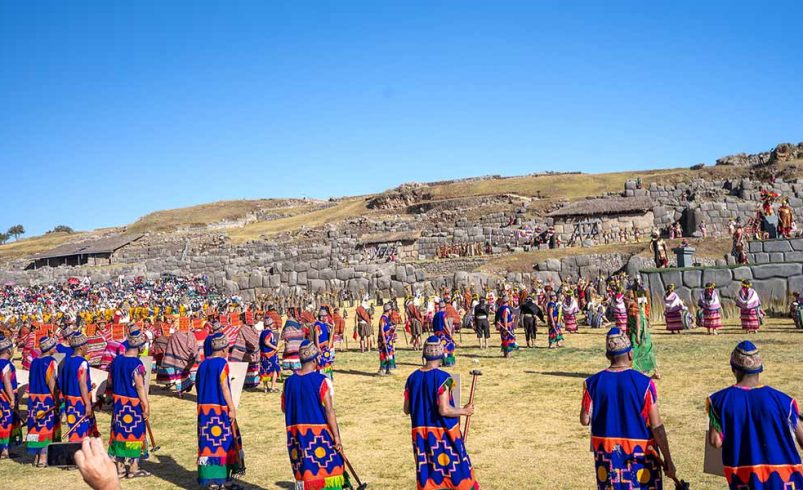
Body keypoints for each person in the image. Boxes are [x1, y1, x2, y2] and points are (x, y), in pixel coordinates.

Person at [580, 328, 676, 489]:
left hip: (608, 456)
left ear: (608, 356)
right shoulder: (645, 383)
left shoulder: (592, 383)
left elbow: (584, 420)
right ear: (631, 354)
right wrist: (668, 460)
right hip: (640, 456)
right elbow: (656, 426)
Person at [707, 341, 803, 489]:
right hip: (785, 480)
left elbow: (715, 442)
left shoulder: (719, 401)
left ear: (733, 369)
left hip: (745, 480)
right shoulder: (783, 401)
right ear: (760, 369)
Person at [403, 336, 479, 490]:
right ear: (441, 354)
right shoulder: (446, 378)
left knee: (429, 475)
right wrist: (464, 411)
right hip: (443, 435)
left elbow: (406, 409)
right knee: (458, 473)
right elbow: (444, 409)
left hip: (421, 435)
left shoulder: (411, 378)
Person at [282, 340, 350, 489]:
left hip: (297, 437)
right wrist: (337, 437)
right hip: (319, 435)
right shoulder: (321, 381)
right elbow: (329, 410)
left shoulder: (288, 383)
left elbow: (284, 408)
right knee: (331, 468)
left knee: (306, 472)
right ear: (315, 359)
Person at [196, 332, 244, 489]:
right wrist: (231, 408)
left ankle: (212, 482)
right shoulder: (222, 364)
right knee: (224, 443)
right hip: (220, 410)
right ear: (223, 349)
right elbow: (225, 388)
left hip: (204, 411)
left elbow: (198, 386)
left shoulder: (202, 365)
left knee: (209, 444)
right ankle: (223, 481)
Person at [106, 331, 150, 478]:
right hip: (132, 404)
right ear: (140, 346)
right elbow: (139, 387)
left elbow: (110, 381)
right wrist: (146, 404)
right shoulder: (137, 364)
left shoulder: (117, 361)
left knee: (119, 433)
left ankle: (119, 468)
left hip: (118, 404)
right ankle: (133, 468)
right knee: (134, 433)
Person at [26, 336, 61, 466]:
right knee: (46, 425)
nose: (56, 348)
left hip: (33, 399)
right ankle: (43, 456)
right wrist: (56, 399)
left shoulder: (34, 362)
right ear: (50, 349)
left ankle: (36, 456)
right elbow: (51, 381)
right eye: (54, 347)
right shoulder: (51, 362)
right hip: (46, 398)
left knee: (35, 425)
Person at [61, 333, 99, 442]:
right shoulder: (82, 362)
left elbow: (69, 380)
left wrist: (89, 385)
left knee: (74, 427)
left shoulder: (67, 360)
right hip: (80, 401)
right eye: (86, 345)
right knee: (81, 431)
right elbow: (82, 384)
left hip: (69, 400)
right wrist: (87, 404)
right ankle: (77, 455)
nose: (88, 347)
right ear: (81, 347)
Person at [627, 281, 660, 380]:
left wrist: (637, 335)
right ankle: (648, 371)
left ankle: (638, 372)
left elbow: (637, 320)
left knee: (636, 351)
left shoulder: (634, 306)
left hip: (638, 332)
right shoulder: (636, 305)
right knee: (645, 349)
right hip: (641, 331)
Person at [0, 334, 21, 458]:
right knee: (6, 422)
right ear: (9, 350)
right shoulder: (7, 365)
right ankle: (5, 450)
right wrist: (12, 399)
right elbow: (7, 381)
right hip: (6, 398)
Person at [230, 319, 260, 390]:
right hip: (243, 350)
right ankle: (245, 384)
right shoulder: (243, 328)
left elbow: (254, 340)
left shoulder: (252, 329)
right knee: (242, 369)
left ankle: (249, 384)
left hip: (247, 351)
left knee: (249, 368)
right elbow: (253, 341)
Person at [259, 316, 281, 393]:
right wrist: (275, 348)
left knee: (264, 370)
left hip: (263, 354)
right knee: (275, 368)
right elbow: (266, 342)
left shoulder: (262, 332)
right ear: (270, 325)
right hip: (270, 354)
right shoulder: (268, 333)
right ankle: (273, 386)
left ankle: (265, 387)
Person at [432, 301, 456, 366]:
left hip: (436, 334)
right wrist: (450, 332)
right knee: (450, 345)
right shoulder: (443, 314)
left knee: (438, 348)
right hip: (442, 334)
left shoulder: (435, 315)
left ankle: (439, 362)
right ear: (445, 307)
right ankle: (448, 362)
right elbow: (445, 324)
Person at [314, 307, 335, 380]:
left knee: (327, 363)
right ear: (321, 317)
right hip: (321, 348)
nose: (326, 317)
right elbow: (316, 337)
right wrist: (318, 348)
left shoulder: (324, 324)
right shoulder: (317, 325)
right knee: (322, 364)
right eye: (325, 316)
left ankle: (327, 377)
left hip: (326, 348)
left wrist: (328, 324)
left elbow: (332, 328)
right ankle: (321, 378)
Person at [377, 303, 398, 376]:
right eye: (390, 310)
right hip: (383, 340)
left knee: (389, 353)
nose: (391, 311)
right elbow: (382, 329)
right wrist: (383, 339)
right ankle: (382, 370)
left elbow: (388, 328)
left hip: (388, 339)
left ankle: (388, 369)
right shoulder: (383, 318)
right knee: (384, 354)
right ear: (388, 310)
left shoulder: (387, 318)